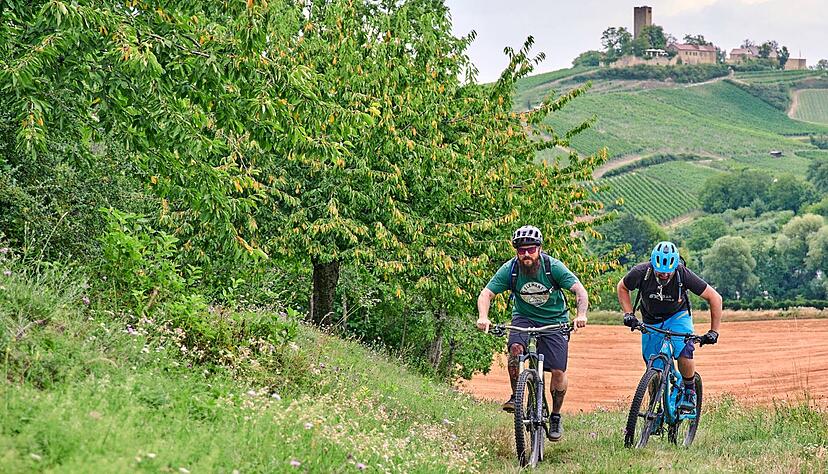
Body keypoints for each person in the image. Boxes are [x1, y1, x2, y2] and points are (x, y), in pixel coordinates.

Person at [476, 225, 589, 442]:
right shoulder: (510, 269)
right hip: (524, 318)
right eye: (521, 250)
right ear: (516, 251)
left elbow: (579, 290)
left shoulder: (552, 267)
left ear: (539, 249)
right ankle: (516, 396)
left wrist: (580, 315)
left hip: (554, 320)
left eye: (531, 249)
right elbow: (486, 294)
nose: (526, 254)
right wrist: (483, 317)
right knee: (515, 350)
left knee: (558, 371)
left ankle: (555, 415)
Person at [617, 241, 722, 411]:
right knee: (653, 369)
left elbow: (715, 298)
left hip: (678, 317)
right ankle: (654, 408)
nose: (664, 276)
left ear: (675, 266)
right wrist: (629, 313)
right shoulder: (641, 272)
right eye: (660, 272)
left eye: (668, 273)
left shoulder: (683, 274)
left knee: (684, 351)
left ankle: (689, 391)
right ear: (652, 265)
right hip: (651, 320)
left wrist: (713, 331)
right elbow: (622, 287)